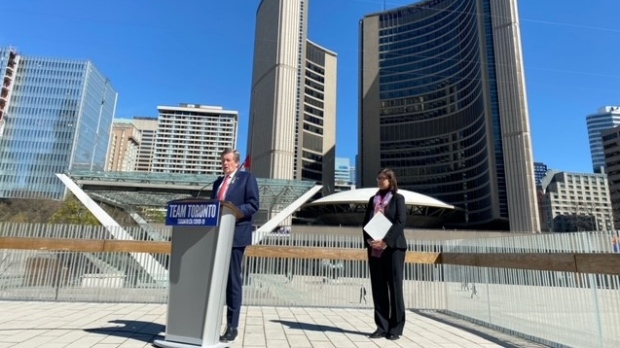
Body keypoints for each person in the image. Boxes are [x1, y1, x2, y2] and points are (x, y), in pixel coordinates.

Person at [210, 148, 260, 343]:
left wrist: (234, 212)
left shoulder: (247, 179)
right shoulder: (216, 183)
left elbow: (253, 204)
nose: (225, 164)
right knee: (214, 281)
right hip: (216, 237)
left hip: (236, 236)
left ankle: (232, 326)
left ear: (237, 163)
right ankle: (210, 322)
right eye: (223, 160)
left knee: (232, 282)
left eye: (228, 160)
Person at [362, 168, 407, 341]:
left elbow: (400, 221)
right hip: (375, 248)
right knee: (378, 287)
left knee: (395, 288)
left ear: (391, 180)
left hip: (393, 248)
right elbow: (366, 222)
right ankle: (382, 326)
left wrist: (386, 241)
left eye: (384, 178)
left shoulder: (398, 199)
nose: (380, 180)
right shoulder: (373, 200)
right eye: (379, 177)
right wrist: (369, 240)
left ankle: (395, 327)